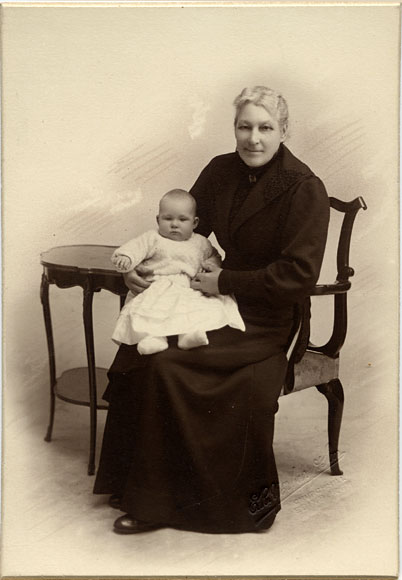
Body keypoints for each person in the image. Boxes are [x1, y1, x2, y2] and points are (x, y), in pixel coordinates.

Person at [93, 85, 330, 535]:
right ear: (234, 128)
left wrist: (226, 280)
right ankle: (137, 487)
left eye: (265, 127)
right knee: (143, 352)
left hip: (269, 316)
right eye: (245, 126)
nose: (253, 139)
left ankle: (173, 504)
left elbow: (297, 277)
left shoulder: (304, 188)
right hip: (215, 299)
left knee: (170, 364)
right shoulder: (221, 170)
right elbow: (180, 232)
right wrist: (137, 268)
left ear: (285, 130)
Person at [111, 188, 245, 355]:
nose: (174, 224)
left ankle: (190, 334)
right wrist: (126, 259)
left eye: (182, 219)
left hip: (187, 287)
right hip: (158, 286)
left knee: (194, 308)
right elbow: (135, 248)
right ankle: (152, 338)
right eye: (168, 218)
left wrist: (209, 265)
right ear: (158, 219)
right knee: (151, 311)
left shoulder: (200, 243)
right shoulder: (153, 238)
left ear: (194, 223)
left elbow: (214, 256)